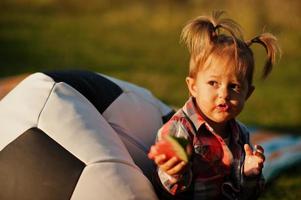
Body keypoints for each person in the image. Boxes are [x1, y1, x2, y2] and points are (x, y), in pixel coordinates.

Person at [149, 11, 280, 200]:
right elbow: (167, 191)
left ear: (247, 94)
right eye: (213, 83)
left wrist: (249, 175)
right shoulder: (180, 131)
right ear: (193, 86)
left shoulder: (241, 135)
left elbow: (246, 195)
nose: (224, 94)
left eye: (234, 86)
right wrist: (174, 171)